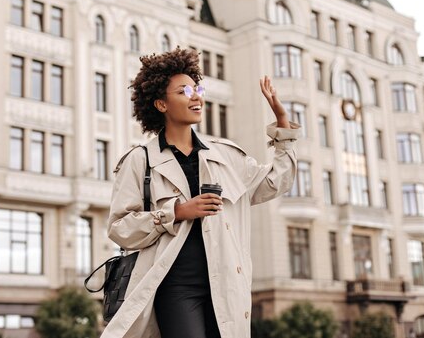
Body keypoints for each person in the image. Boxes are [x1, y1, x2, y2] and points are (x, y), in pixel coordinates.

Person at [102, 48, 299, 338]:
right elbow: (120, 228)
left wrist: (283, 125)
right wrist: (177, 212)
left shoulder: (227, 156)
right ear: (160, 104)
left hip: (228, 285)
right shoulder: (140, 160)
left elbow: (275, 182)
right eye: (184, 91)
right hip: (175, 285)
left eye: (197, 89)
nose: (196, 96)